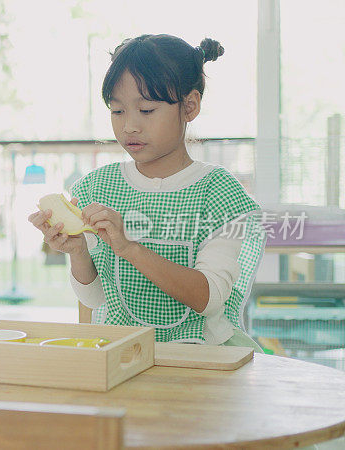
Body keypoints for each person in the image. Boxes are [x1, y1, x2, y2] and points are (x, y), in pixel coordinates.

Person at [29, 35, 264, 349]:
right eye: (117, 111)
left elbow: (207, 297)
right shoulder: (97, 187)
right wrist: (78, 252)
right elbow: (96, 298)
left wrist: (128, 248)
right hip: (122, 355)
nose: (129, 127)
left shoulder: (218, 193)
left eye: (147, 110)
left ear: (190, 106)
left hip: (200, 361)